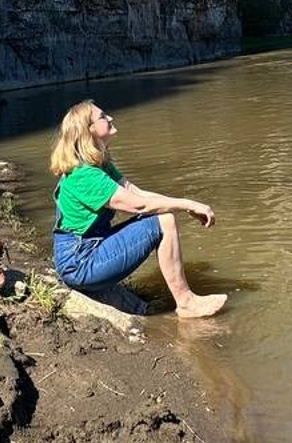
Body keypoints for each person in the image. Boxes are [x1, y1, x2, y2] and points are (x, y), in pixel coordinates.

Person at [49, 99, 227, 319]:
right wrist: (188, 205)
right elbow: (138, 205)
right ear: (90, 130)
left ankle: (176, 303)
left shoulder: (99, 164)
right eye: (103, 116)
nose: (110, 118)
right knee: (164, 221)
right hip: (79, 263)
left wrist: (186, 203)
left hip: (89, 249)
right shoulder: (84, 175)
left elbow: (137, 193)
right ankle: (186, 303)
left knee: (164, 216)